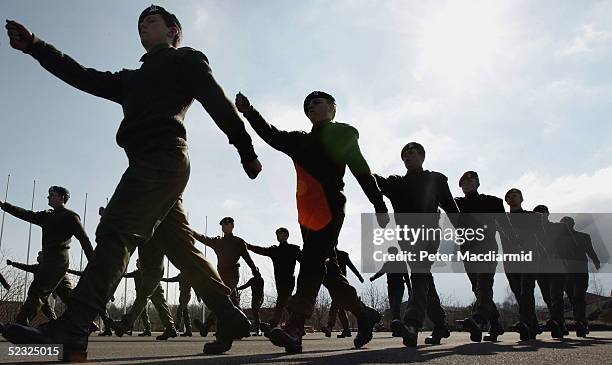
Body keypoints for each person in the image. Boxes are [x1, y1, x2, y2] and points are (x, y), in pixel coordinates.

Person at [4, 4, 262, 358]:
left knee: (116, 228)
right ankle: (229, 315)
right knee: (181, 248)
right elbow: (81, 75)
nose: (143, 26)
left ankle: (74, 325)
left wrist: (244, 147)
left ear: (174, 30)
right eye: (139, 23)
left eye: (151, 21)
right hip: (147, 163)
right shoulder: (130, 78)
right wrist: (35, 45)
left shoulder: (185, 60)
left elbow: (217, 101)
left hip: (165, 157)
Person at [235, 91, 389, 353]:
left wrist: (379, 204)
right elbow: (271, 134)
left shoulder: (343, 134)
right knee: (326, 269)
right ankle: (363, 313)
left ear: (332, 108)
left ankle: (295, 326)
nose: (310, 107)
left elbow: (361, 170)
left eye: (316, 102)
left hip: (330, 207)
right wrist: (249, 112)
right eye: (307, 105)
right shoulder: (300, 141)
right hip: (307, 214)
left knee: (311, 260)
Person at [374, 142, 459, 347]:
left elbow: (451, 207)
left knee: (419, 273)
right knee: (424, 278)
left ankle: (412, 324)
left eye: (411, 153)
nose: (407, 157)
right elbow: (374, 180)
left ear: (422, 156)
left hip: (429, 234)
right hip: (406, 238)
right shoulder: (396, 183)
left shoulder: (435, 179)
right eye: (404, 155)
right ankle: (440, 324)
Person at [0, 186, 94, 326]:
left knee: (38, 291)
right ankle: (88, 322)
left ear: (62, 198)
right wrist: (4, 206)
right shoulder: (47, 216)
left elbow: (84, 240)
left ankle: (20, 325)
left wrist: (93, 262)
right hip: (50, 260)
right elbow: (27, 214)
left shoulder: (70, 216)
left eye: (52, 194)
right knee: (68, 296)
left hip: (58, 260)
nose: (48, 197)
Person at [454, 171, 506, 342]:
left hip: (487, 247)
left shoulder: (492, 202)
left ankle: (478, 319)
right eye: (463, 182)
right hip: (467, 249)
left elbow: (505, 227)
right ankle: (495, 324)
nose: (467, 184)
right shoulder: (456, 204)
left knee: (484, 284)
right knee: (477, 287)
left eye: (470, 181)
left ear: (477, 183)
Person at [192, 217, 260, 336]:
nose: (224, 227)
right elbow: (203, 238)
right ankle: (242, 327)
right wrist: (190, 231)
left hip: (232, 274)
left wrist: (255, 270)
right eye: (222, 225)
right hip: (220, 275)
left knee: (221, 298)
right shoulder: (218, 241)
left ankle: (207, 325)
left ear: (232, 226)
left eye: (226, 224)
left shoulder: (238, 242)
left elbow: (247, 258)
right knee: (233, 302)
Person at [504, 188, 542, 341]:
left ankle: (525, 323)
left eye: (515, 196)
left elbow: (539, 235)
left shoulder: (532, 217)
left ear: (521, 199)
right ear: (506, 201)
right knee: (518, 292)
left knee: (526, 290)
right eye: (509, 197)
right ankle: (533, 324)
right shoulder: (502, 218)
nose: (512, 199)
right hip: (510, 260)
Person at [246, 227, 301, 329]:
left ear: (287, 235)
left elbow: (304, 261)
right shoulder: (274, 250)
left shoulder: (293, 249)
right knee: (288, 303)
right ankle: (298, 325)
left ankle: (274, 322)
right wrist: (249, 246)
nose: (278, 236)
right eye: (277, 235)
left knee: (281, 301)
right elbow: (261, 250)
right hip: (279, 281)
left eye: (281, 234)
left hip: (289, 280)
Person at [560, 216, 601, 337]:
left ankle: (580, 323)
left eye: (567, 223)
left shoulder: (584, 237)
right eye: (563, 224)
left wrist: (596, 261)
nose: (565, 226)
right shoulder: (558, 239)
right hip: (566, 273)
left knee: (579, 296)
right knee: (573, 298)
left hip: (580, 272)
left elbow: (590, 251)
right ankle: (581, 321)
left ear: (572, 224)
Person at [119, 259, 177, 340]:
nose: (136, 264)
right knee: (159, 305)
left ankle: (126, 324)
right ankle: (170, 327)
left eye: (138, 263)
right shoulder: (137, 272)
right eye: (136, 263)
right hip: (152, 280)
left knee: (154, 303)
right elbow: (126, 275)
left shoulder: (147, 268)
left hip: (152, 280)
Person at [321, 249, 364, 338]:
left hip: (341, 284)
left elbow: (351, 266)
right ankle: (346, 329)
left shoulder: (342, 255)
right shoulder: (324, 255)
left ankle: (330, 327)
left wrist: (359, 276)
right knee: (340, 307)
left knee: (337, 304)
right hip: (332, 285)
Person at [369, 246, 411, 337]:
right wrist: (374, 277)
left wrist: (410, 289)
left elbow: (406, 276)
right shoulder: (388, 263)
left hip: (399, 286)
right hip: (391, 287)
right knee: (393, 307)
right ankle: (397, 327)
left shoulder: (401, 263)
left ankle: (398, 329)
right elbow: (381, 272)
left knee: (396, 306)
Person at [161, 272, 194, 336]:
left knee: (180, 310)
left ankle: (176, 328)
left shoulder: (188, 274)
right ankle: (188, 330)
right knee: (185, 312)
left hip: (186, 294)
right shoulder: (180, 275)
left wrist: (198, 296)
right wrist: (162, 279)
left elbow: (194, 285)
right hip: (182, 294)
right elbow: (171, 279)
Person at [237, 272, 265, 336]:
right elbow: (245, 285)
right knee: (255, 314)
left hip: (259, 298)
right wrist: (237, 288)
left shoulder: (260, 279)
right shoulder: (253, 279)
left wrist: (260, 300)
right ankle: (258, 330)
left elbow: (260, 291)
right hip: (255, 298)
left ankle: (258, 330)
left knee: (256, 313)